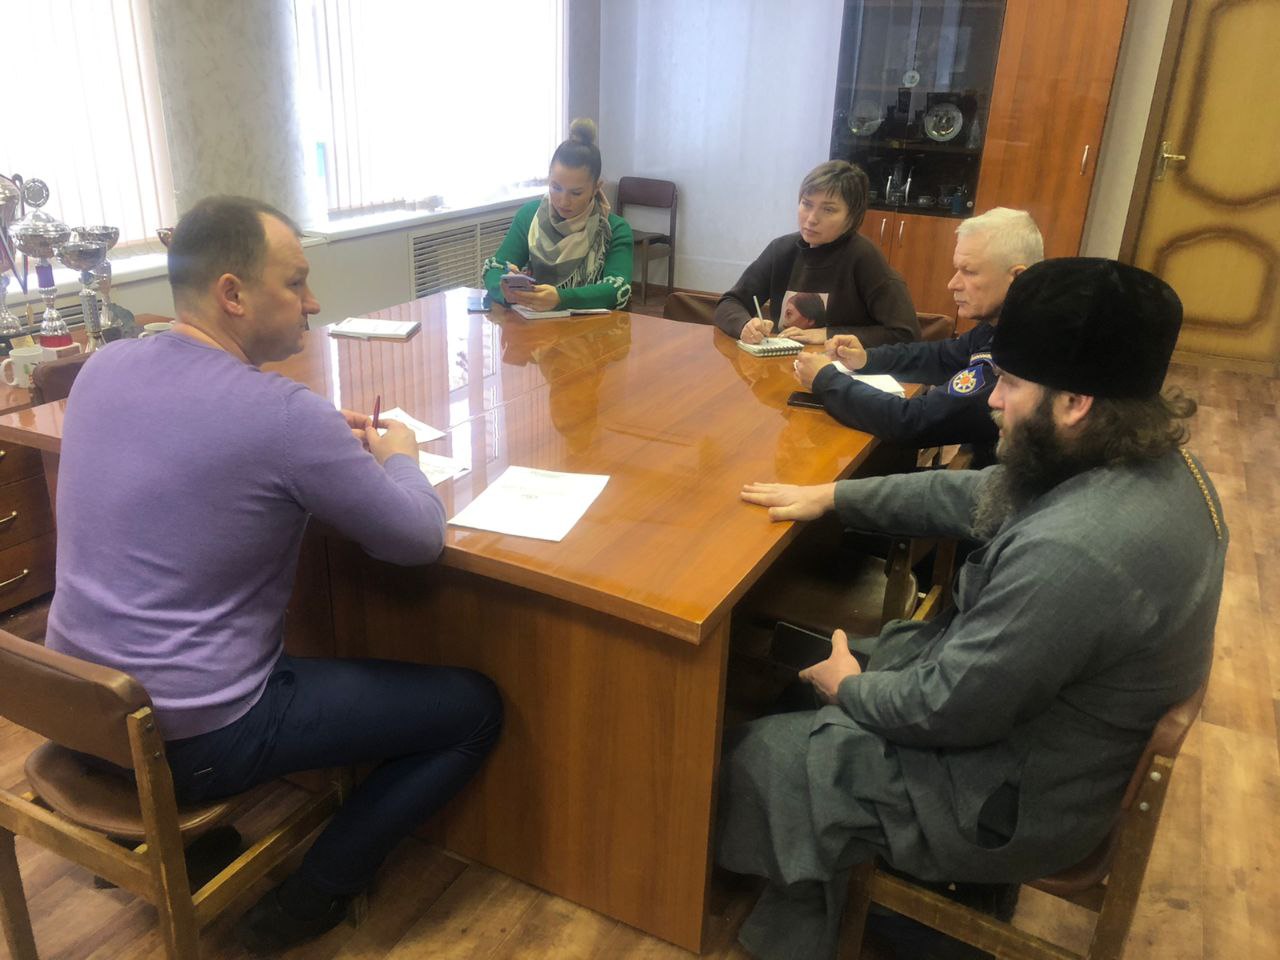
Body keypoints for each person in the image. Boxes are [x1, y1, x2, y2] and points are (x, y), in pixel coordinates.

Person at [718, 258, 1226, 960]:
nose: (992, 401)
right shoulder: (1145, 462)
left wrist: (851, 689)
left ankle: (828, 929)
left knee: (759, 754)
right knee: (808, 666)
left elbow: (945, 709)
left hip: (1014, 800)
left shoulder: (1077, 551)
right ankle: (833, 871)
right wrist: (833, 496)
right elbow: (978, 494)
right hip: (1057, 742)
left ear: (1075, 402)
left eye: (1010, 383)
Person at [46, 196, 503, 953]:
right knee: (473, 709)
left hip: (77, 707)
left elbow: (200, 446)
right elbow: (417, 538)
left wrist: (317, 438)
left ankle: (191, 848)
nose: (314, 301)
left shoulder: (104, 366)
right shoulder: (284, 416)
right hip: (189, 739)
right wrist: (399, 459)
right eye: (295, 282)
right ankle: (313, 897)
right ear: (232, 293)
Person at [793, 207, 1042, 463]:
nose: (953, 284)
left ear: (1017, 278)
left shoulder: (1017, 351)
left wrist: (826, 380)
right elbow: (940, 356)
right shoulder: (1001, 325)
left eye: (969, 272)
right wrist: (866, 359)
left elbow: (912, 421)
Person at [713, 160, 919, 347]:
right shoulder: (781, 250)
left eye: (828, 210)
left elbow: (906, 334)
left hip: (841, 369)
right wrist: (745, 325)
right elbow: (730, 303)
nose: (811, 219)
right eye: (807, 204)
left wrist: (828, 334)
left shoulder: (864, 257)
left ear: (852, 217)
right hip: (781, 365)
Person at [483, 118, 634, 312]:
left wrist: (561, 298)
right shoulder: (530, 216)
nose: (563, 201)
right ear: (549, 179)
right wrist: (504, 288)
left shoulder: (614, 229)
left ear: (596, 188)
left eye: (576, 193)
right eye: (556, 187)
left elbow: (617, 290)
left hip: (592, 328)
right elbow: (493, 268)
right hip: (534, 325)